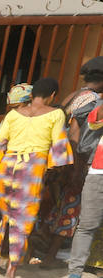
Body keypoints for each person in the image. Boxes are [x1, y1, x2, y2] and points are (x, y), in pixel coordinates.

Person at [0, 77, 70, 278]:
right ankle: (10, 274)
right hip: (31, 169)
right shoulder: (56, 113)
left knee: (7, 216)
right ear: (53, 96)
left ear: (32, 95)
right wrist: (55, 170)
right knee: (22, 221)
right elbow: (59, 148)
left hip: (6, 167)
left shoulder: (13, 114)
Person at [39, 58, 103, 266]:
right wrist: (76, 167)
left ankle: (42, 247)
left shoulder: (73, 95)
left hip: (58, 159)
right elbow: (75, 131)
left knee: (60, 205)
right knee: (71, 206)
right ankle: (50, 257)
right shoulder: (92, 99)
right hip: (75, 160)